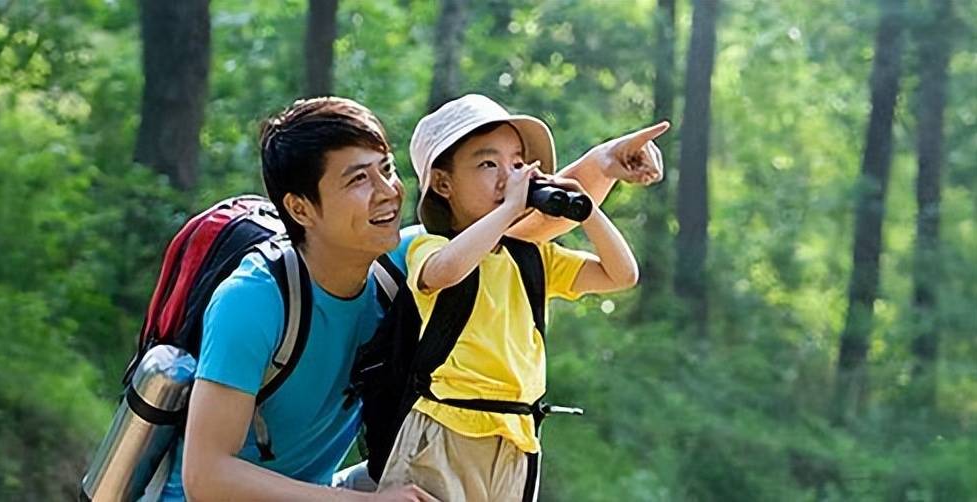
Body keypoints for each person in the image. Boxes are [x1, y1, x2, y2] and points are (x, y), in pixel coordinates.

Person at [162, 96, 667, 500]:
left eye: (385, 169)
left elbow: (519, 229)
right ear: (301, 208)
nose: (387, 191)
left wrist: (605, 163)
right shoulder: (254, 301)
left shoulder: (399, 262)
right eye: (358, 179)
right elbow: (208, 478)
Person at [374, 94, 641, 502]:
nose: (508, 176)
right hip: (445, 432)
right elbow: (447, 270)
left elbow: (622, 275)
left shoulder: (532, 259)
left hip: (518, 438)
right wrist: (512, 207)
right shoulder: (429, 247)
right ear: (443, 184)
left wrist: (588, 211)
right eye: (488, 164)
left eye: (517, 164)